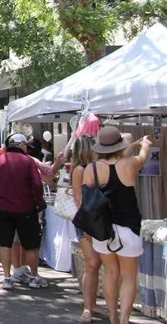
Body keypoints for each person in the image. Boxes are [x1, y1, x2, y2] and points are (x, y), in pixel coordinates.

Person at [82, 127, 150, 324]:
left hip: (103, 229)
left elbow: (87, 203)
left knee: (110, 273)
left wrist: (88, 229)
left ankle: (112, 316)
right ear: (119, 145)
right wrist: (144, 144)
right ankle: (124, 319)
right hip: (128, 227)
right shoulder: (129, 164)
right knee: (128, 276)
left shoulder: (91, 168)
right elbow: (143, 157)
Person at [0, 134, 47, 290]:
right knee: (30, 245)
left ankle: (7, 277)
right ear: (21, 145)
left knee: (5, 244)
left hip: (3, 207)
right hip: (25, 207)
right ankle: (34, 277)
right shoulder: (28, 161)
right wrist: (39, 202)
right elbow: (37, 184)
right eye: (26, 145)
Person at [71, 136, 108, 324]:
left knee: (96, 264)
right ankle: (88, 307)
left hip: (96, 220)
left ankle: (92, 305)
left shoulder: (92, 168)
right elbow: (78, 199)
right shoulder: (80, 169)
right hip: (87, 221)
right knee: (92, 263)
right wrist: (88, 225)